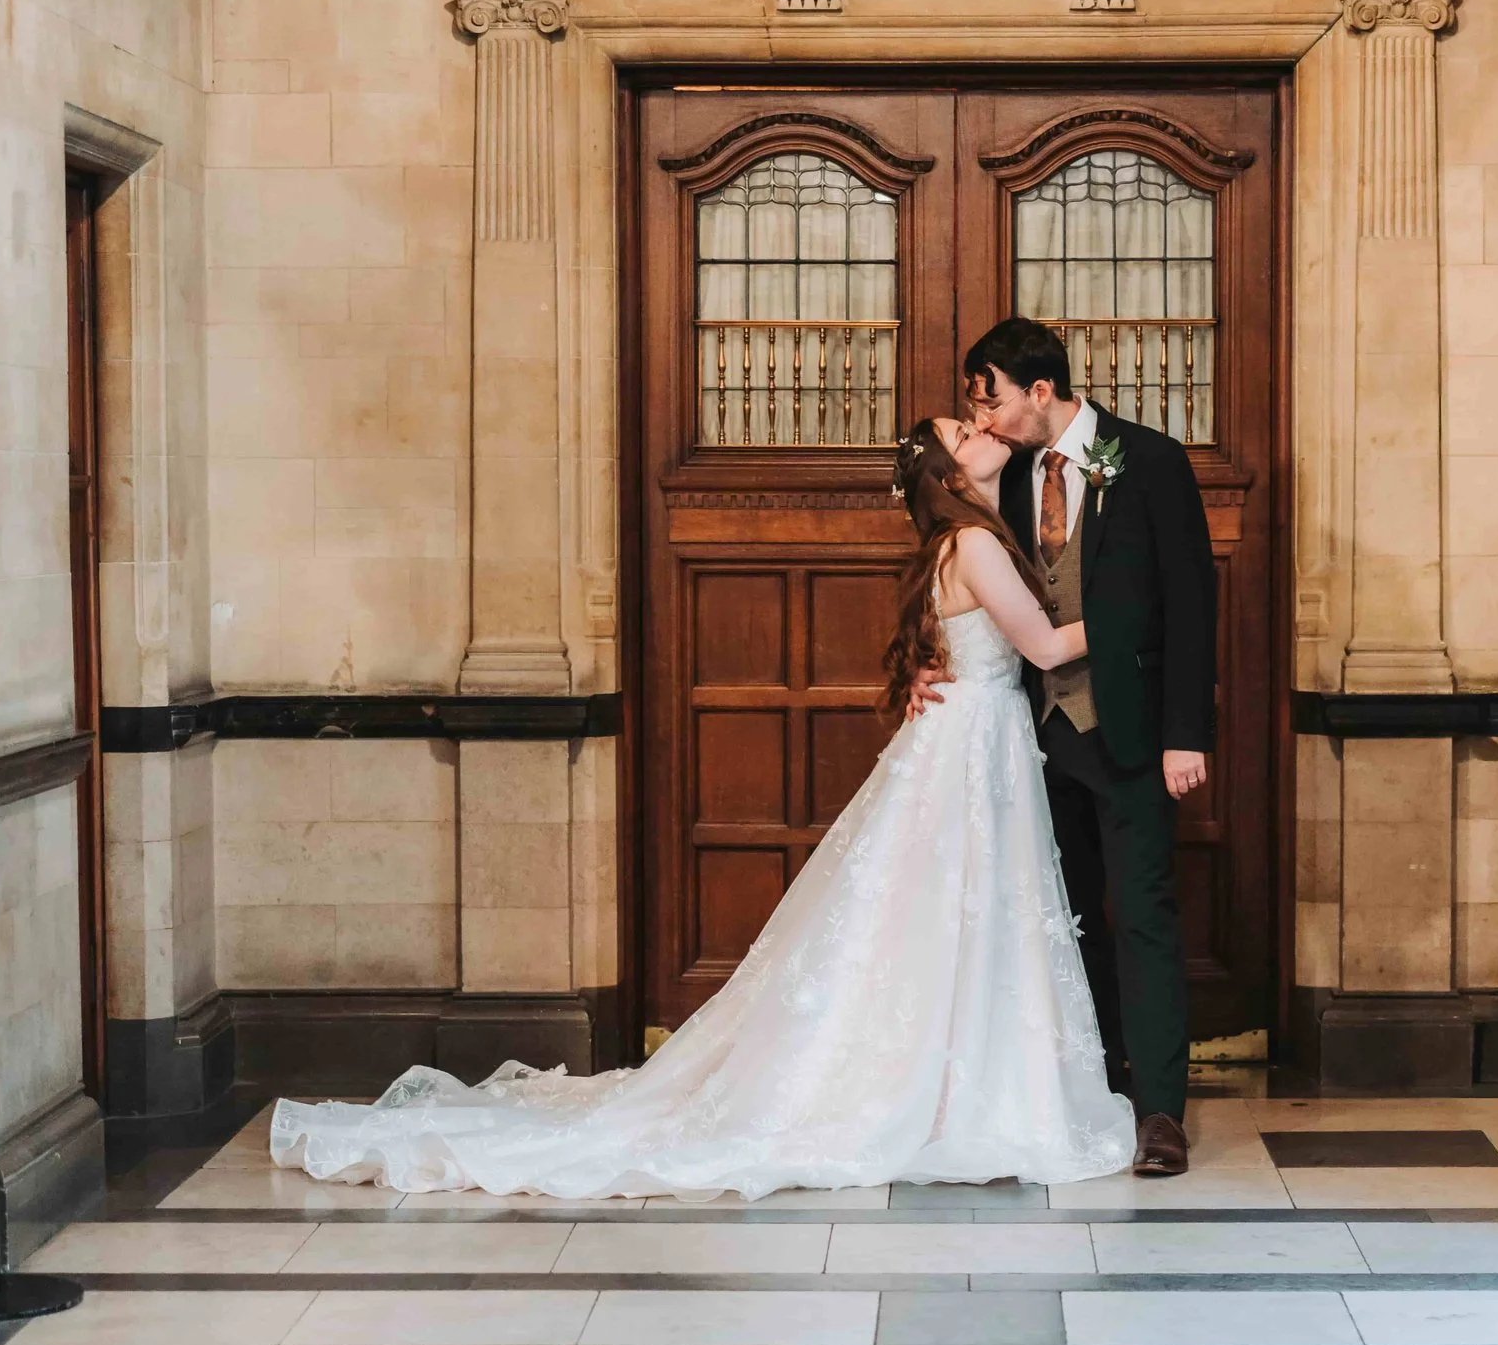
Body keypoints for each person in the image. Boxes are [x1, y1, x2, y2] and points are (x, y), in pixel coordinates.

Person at [268, 418, 1134, 1200]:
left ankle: (951, 1082)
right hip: (972, 752)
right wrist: (1138, 607)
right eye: (963, 427)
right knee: (957, 919)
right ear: (950, 470)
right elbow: (1050, 643)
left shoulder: (968, 539)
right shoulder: (974, 544)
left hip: (973, 748)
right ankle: (955, 1087)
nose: (981, 424)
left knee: (947, 922)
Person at [912, 317, 1215, 1177]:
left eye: (993, 398)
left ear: (1040, 391)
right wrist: (929, 666)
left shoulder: (1149, 460)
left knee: (1144, 915)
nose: (986, 418)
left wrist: (1186, 733)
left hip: (1130, 732)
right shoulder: (994, 483)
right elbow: (956, 588)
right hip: (1026, 741)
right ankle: (1097, 1088)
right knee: (1063, 921)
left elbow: (1192, 603)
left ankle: (1160, 1113)